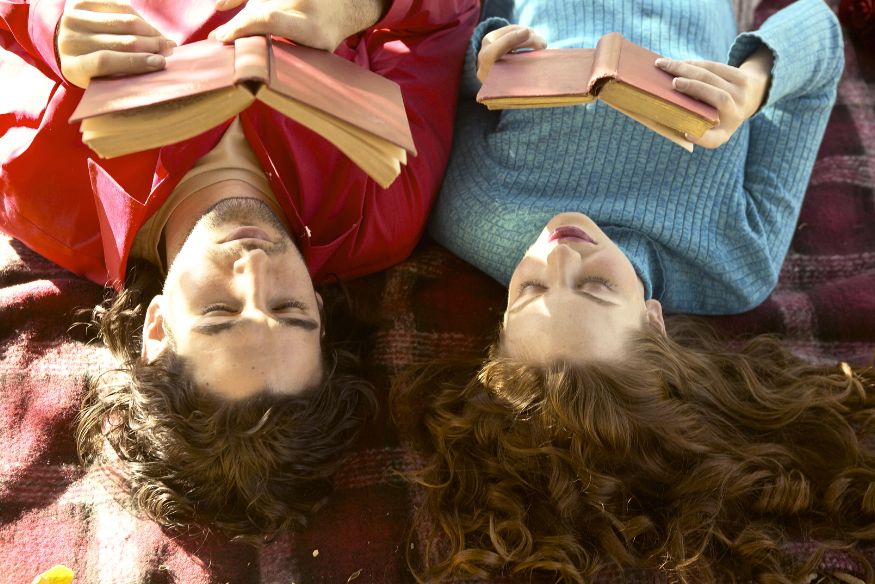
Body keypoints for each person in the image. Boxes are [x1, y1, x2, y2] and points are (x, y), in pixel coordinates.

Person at [395, 0, 874, 581]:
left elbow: (454, 51)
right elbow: (818, 31)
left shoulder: (474, 218)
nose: (559, 250)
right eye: (595, 286)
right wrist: (752, 85)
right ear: (653, 320)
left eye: (530, 289)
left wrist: (484, 59)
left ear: (499, 327)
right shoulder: (735, 263)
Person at [0, 0, 478, 540]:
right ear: (320, 311)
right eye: (289, 308)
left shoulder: (41, 184)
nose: (255, 267)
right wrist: (362, 8)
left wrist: (51, 23)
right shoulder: (381, 208)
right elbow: (448, 17)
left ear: (157, 327)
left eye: (220, 311)